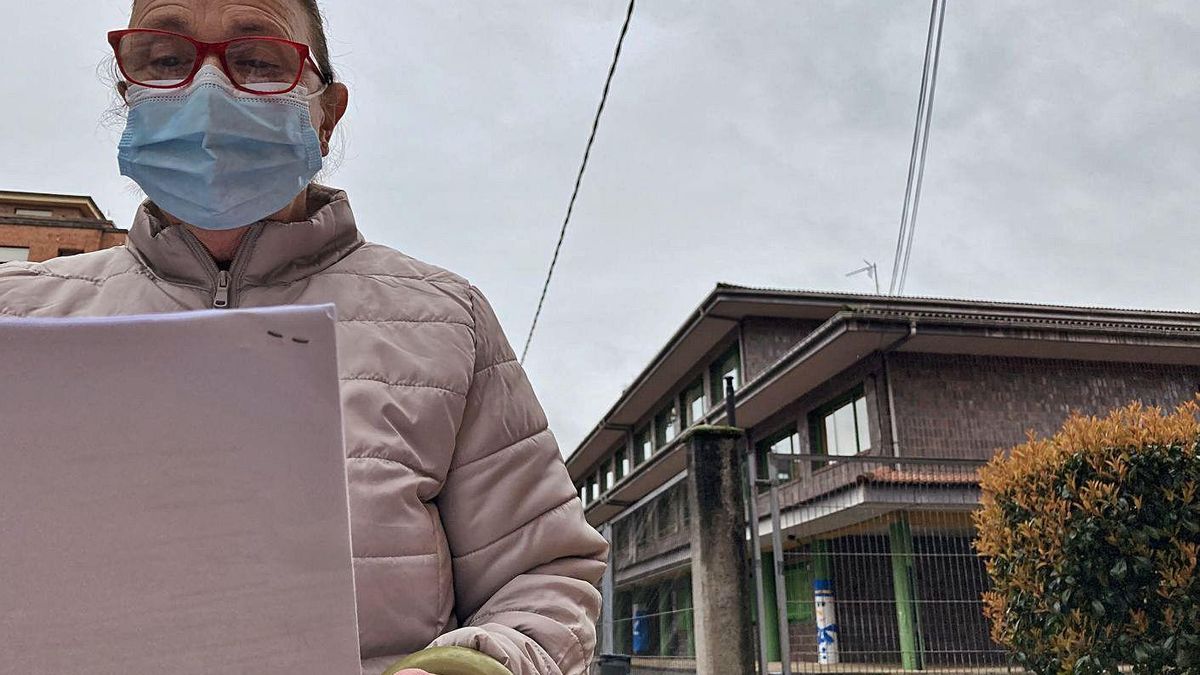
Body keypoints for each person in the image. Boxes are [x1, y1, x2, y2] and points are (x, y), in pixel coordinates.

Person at [0, 2, 609, 674]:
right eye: (166, 59)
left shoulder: (446, 321)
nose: (208, 90)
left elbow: (542, 573)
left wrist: (473, 667)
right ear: (130, 94)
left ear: (327, 113)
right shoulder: (18, 318)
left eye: (259, 59)